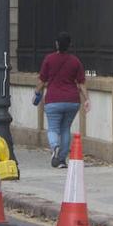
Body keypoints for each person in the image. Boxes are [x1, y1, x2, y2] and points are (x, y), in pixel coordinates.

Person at [34, 32, 89, 168]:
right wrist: (87, 99)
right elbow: (81, 83)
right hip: (72, 100)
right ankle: (62, 160)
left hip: (53, 100)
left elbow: (42, 81)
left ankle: (55, 147)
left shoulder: (49, 59)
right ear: (69, 45)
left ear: (57, 44)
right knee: (65, 128)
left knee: (53, 128)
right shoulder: (75, 61)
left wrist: (36, 92)